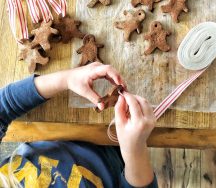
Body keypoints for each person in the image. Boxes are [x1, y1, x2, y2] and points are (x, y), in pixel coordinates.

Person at [0, 62, 158, 187]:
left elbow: (2, 106)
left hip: (59, 133)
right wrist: (134, 152)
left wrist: (66, 79)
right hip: (124, 157)